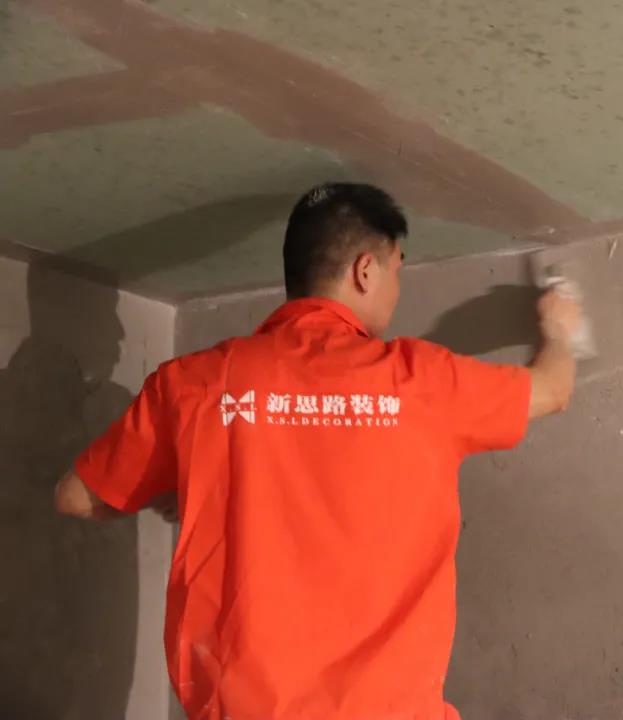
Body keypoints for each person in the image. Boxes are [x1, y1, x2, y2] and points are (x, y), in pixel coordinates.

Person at [53, 182, 581, 719]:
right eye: (397, 270)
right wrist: (561, 332)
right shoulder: (421, 381)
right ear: (365, 270)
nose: (396, 289)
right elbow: (552, 390)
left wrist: (184, 486)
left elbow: (76, 496)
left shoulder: (195, 383)